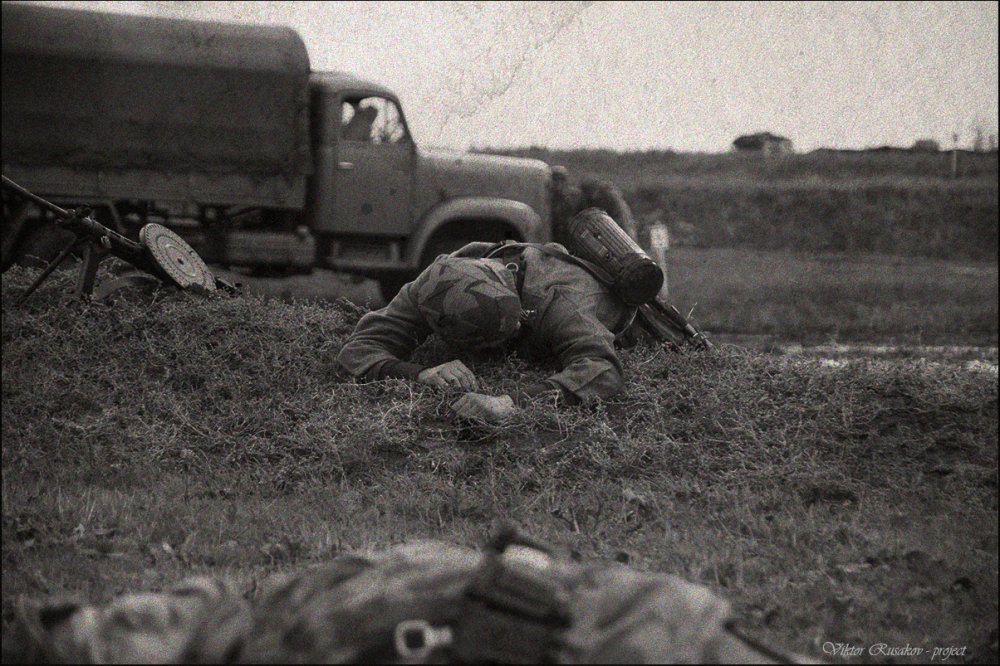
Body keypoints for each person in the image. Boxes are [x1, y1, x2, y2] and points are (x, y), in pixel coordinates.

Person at [4, 526, 809, 663]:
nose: (133, 609)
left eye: (108, 609)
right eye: (114, 643)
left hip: (652, 614)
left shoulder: (286, 597)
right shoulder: (278, 648)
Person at [336, 239, 637, 423]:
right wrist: (420, 373)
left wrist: (510, 403)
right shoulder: (437, 281)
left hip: (625, 318)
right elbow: (358, 349)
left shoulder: (564, 303)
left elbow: (603, 371)